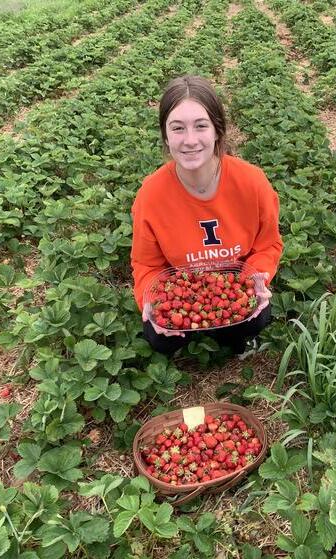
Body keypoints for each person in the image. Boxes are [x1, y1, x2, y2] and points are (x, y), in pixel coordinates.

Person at [130, 75, 283, 356]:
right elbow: (146, 264)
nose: (190, 140)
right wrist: (148, 300)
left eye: (201, 126)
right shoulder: (151, 195)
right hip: (183, 287)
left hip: (236, 283)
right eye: (177, 128)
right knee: (159, 336)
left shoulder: (252, 183)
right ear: (165, 135)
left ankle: (234, 334)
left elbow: (269, 244)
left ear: (217, 131)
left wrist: (257, 278)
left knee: (254, 318)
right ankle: (194, 335)